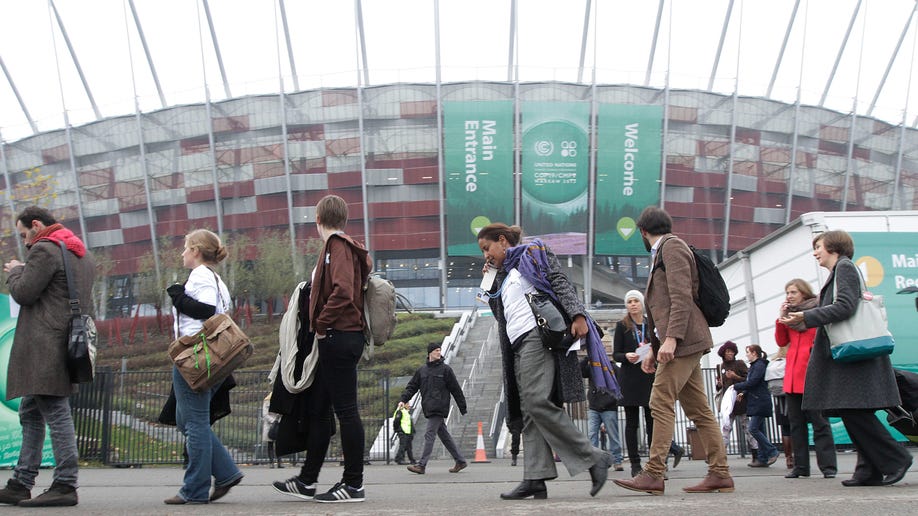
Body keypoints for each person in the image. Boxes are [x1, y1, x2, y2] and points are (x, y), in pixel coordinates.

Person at [478, 223, 613, 501]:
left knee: (536, 401)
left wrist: (577, 314)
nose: (485, 255)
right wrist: (490, 280)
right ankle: (535, 477)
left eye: (487, 248)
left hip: (536, 338)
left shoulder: (533, 253)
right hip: (516, 344)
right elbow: (499, 313)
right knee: (529, 409)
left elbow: (558, 280)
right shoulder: (503, 275)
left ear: (502, 240)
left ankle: (593, 457)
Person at [613, 206, 733, 496]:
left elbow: (681, 297)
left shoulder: (672, 247)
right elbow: (661, 307)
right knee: (699, 410)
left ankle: (654, 473)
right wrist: (655, 347)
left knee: (659, 401)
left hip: (684, 341)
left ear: (642, 231)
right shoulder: (662, 252)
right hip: (681, 341)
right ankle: (720, 474)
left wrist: (671, 340)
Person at [780, 230, 912, 487]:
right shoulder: (840, 271)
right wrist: (802, 316)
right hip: (852, 357)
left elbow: (845, 306)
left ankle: (896, 458)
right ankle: (868, 470)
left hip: (854, 357)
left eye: (818, 246)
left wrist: (807, 318)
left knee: (853, 411)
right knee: (853, 410)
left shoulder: (845, 268)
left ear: (833, 247)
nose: (815, 252)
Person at [272, 194, 372, 503]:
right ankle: (307, 480)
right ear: (343, 218)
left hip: (339, 337)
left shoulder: (337, 247)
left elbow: (342, 290)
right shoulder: (341, 246)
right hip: (338, 338)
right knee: (319, 410)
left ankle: (353, 484)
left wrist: (321, 323)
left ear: (318, 219)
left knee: (346, 412)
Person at [0, 207, 95, 507]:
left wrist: (17, 270)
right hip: (66, 341)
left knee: (56, 412)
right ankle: (21, 482)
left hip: (44, 344)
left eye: (24, 233)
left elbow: (24, 293)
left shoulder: (45, 249)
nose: (26, 241)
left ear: (37, 225)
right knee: (30, 412)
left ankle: (65, 484)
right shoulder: (79, 251)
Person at [162, 229, 243, 505]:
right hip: (213, 358)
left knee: (194, 422)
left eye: (186, 248)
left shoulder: (200, 275)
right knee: (187, 420)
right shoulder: (218, 280)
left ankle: (194, 489)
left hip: (195, 355)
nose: (183, 253)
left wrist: (179, 298)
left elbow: (207, 311)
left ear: (196, 250)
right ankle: (226, 472)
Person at [612, 290, 685, 478]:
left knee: (652, 421)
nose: (633, 304)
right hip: (629, 377)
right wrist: (626, 356)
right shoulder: (622, 326)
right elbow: (616, 354)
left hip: (648, 375)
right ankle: (635, 464)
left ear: (642, 303)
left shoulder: (648, 323)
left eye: (636, 301)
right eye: (630, 301)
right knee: (631, 422)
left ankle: (657, 463)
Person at [775, 278, 837, 479]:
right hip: (793, 376)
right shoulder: (790, 316)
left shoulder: (815, 311)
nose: (789, 296)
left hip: (812, 374)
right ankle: (801, 467)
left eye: (793, 292)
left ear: (803, 293)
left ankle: (828, 467)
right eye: (787, 293)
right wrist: (781, 318)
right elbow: (781, 341)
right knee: (796, 425)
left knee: (820, 423)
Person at [401, 344, 468, 474]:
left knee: (429, 434)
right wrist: (403, 399)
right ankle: (460, 461)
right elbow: (412, 387)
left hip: (439, 407)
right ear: (430, 353)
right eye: (436, 350)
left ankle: (421, 465)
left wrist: (462, 406)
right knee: (444, 435)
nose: (439, 352)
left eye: (440, 350)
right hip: (428, 407)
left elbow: (456, 389)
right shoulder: (422, 371)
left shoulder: (446, 370)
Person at [732, 345, 779, 467]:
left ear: (754, 353)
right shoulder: (756, 366)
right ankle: (762, 459)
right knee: (760, 429)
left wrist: (737, 386)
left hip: (759, 401)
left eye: (747, 352)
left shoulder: (759, 366)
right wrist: (744, 392)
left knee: (753, 428)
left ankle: (772, 451)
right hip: (757, 400)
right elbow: (754, 384)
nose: (746, 354)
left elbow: (753, 382)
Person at [580, 353, 624, 471]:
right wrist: (587, 358)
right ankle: (594, 461)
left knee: (612, 435)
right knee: (592, 434)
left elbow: (620, 385)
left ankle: (617, 460)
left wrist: (612, 400)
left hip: (609, 407)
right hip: (594, 406)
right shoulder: (592, 367)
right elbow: (580, 370)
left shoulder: (613, 368)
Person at [714, 341, 757, 460]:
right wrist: (718, 385)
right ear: (723, 353)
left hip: (740, 399)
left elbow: (747, 379)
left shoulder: (740, 364)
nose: (730, 354)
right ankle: (721, 455)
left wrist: (735, 377)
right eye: (728, 351)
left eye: (732, 351)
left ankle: (755, 453)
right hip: (728, 402)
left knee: (747, 427)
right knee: (726, 427)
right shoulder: (720, 367)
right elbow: (719, 387)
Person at [262, 393, 284, 469]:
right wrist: (274, 420)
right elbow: (265, 414)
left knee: (280, 444)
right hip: (270, 424)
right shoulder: (267, 401)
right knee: (270, 444)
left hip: (279, 424)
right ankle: (271, 462)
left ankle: (279, 462)